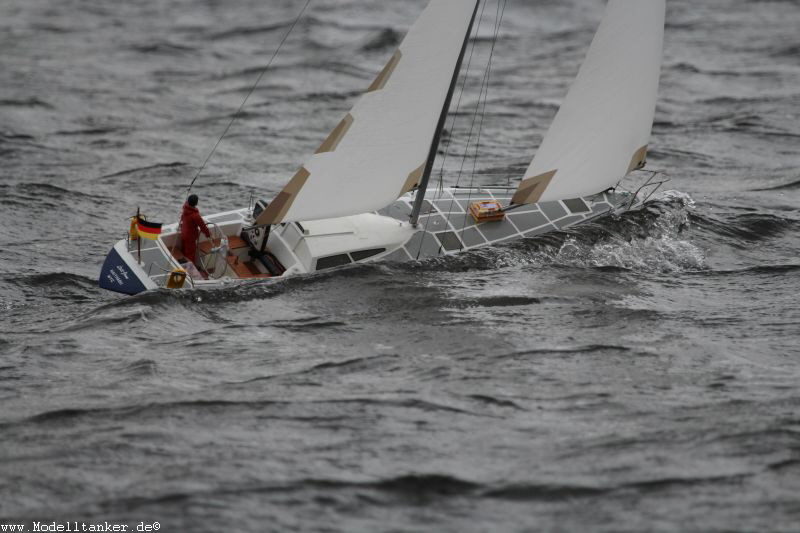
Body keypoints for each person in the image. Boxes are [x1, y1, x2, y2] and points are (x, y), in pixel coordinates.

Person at [180, 194, 211, 269]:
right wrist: (208, 234)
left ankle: (184, 265)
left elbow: (182, 218)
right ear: (196, 203)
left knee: (185, 251)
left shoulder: (185, 208)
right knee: (190, 254)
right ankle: (191, 269)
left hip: (183, 233)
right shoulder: (195, 215)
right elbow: (202, 226)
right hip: (190, 237)